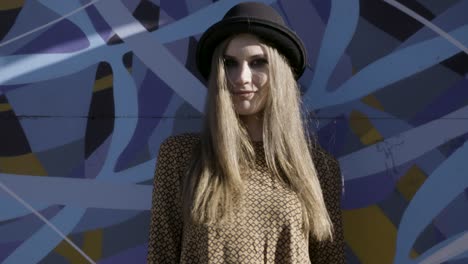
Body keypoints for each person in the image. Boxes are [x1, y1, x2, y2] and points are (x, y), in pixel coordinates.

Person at [147, 2, 345, 263]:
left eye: (258, 62)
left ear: (279, 72)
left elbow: (330, 259)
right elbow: (161, 256)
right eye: (229, 63)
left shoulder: (318, 169)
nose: (241, 77)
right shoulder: (181, 157)